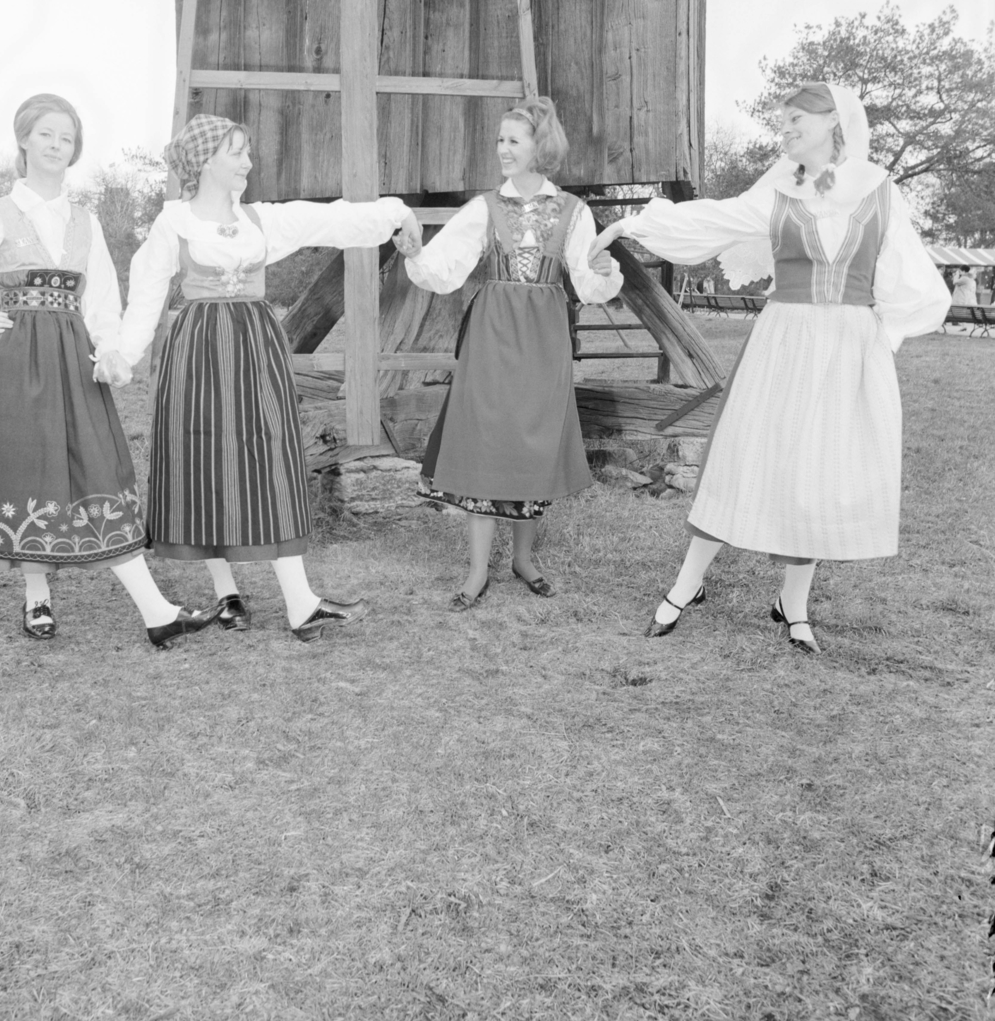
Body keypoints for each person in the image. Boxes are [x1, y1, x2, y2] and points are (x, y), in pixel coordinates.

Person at [590, 81, 950, 653]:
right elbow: (713, 220)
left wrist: (879, 339)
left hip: (847, 347)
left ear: (833, 120)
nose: (785, 131)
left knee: (817, 469)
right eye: (782, 122)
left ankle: (793, 603)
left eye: (795, 120)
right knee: (743, 455)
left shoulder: (879, 190)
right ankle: (687, 584)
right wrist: (626, 227)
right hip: (783, 341)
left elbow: (913, 281)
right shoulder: (780, 193)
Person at [0, 94, 216, 648]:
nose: (56, 145)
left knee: (97, 471)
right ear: (24, 139)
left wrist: (110, 350)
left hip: (72, 357)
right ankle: (38, 597)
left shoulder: (85, 222)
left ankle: (157, 611)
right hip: (11, 360)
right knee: (25, 471)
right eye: (46, 134)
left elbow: (103, 300)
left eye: (67, 138)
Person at [99, 114, 422, 642]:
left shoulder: (260, 219)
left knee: (271, 456)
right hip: (199, 350)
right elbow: (146, 297)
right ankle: (226, 592)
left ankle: (301, 604)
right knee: (204, 459)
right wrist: (122, 355)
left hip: (255, 347)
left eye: (247, 152)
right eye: (237, 152)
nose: (248, 162)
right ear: (206, 160)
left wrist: (397, 213)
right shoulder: (173, 223)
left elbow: (330, 220)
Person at [394, 96, 623, 608]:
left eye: (513, 140)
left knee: (532, 441)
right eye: (500, 139)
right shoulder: (485, 208)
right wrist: (417, 255)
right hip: (492, 336)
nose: (502, 148)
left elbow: (587, 282)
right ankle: (477, 570)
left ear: (540, 147)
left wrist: (605, 273)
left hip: (544, 339)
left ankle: (523, 558)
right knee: (487, 440)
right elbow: (445, 268)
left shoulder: (573, 211)